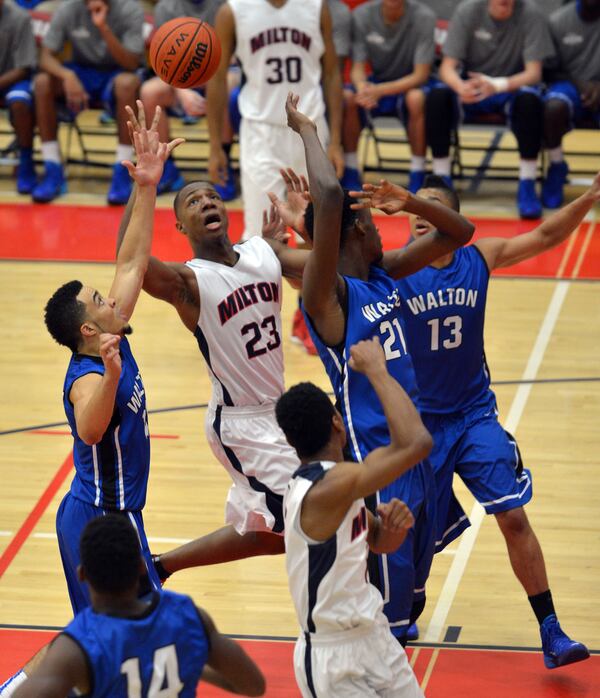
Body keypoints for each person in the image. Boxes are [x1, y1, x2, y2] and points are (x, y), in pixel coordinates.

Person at [0, 103, 183, 698]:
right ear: (87, 328)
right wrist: (107, 374)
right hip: (97, 519)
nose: (112, 296)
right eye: (101, 298)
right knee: (114, 635)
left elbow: (131, 258)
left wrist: (148, 187)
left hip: (115, 513)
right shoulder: (88, 370)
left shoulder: (111, 334)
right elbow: (89, 429)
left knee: (105, 632)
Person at [284, 93, 474, 645]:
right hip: (377, 457)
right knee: (386, 625)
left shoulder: (384, 273)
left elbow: (460, 234)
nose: (380, 230)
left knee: (408, 610)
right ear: (350, 234)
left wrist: (412, 201)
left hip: (416, 447)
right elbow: (325, 195)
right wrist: (308, 130)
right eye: (368, 222)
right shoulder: (329, 299)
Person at [394, 173, 594, 668]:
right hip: (419, 428)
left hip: (473, 415)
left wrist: (588, 199)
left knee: (513, 515)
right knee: (415, 541)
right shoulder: (393, 270)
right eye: (415, 206)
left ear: (453, 221)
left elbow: (546, 236)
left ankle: (551, 628)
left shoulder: (478, 258)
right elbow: (329, 275)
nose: (419, 212)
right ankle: (411, 601)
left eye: (431, 205)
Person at [115, 111, 310, 579]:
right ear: (181, 226)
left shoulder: (264, 252)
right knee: (312, 516)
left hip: (280, 411)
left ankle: (159, 566)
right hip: (240, 424)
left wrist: (309, 226)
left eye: (212, 196)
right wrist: (145, 186)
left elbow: (327, 271)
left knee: (277, 531)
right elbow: (130, 261)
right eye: (193, 201)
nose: (206, 202)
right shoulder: (189, 282)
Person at [276, 338, 430, 696]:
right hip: (333, 658)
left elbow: (379, 542)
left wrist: (394, 528)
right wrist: (377, 370)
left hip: (375, 636)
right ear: (337, 423)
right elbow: (415, 443)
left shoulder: (337, 482)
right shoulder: (325, 488)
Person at [12, 515, 266, 697]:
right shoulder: (187, 616)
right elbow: (253, 686)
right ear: (143, 567)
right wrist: (188, 659)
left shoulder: (77, 646)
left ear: (81, 574)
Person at [206, 0, 344, 240]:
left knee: (316, 236)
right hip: (261, 131)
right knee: (260, 236)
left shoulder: (316, 7)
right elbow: (217, 79)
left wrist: (335, 142)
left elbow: (332, 74)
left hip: (310, 129)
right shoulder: (233, 11)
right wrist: (215, 146)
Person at [432, 0, 555, 218]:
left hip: (510, 86)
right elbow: (447, 68)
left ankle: (527, 183)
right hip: (472, 86)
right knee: (438, 97)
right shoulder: (468, 10)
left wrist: (497, 85)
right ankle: (441, 182)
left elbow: (534, 73)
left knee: (530, 102)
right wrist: (461, 87)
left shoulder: (531, 14)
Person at [32, 0, 145, 204]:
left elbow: (131, 63)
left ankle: (123, 169)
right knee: (42, 83)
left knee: (127, 84)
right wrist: (66, 75)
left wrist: (104, 28)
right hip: (81, 71)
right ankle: (52, 168)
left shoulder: (130, 9)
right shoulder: (68, 9)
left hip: (116, 72)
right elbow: (45, 57)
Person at [140, 0, 236, 197]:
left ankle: (222, 162)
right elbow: (162, 62)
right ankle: (166, 168)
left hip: (220, 71)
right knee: (149, 92)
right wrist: (181, 90)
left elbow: (235, 54)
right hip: (180, 78)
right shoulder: (165, 7)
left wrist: (209, 78)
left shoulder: (226, 5)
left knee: (226, 85)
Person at [343, 0, 439, 193]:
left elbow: (421, 75)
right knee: (348, 97)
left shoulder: (424, 17)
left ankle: (418, 171)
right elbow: (357, 68)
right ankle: (350, 168)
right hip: (378, 81)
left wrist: (379, 90)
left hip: (410, 82)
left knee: (416, 99)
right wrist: (363, 88)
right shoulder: (362, 15)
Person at [542, 0, 600, 209]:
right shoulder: (558, 21)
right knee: (553, 107)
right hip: (569, 84)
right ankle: (557, 166)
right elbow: (548, 70)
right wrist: (581, 84)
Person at [0, 0, 37, 195]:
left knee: (19, 100)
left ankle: (25, 158)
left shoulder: (19, 17)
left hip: (13, 78)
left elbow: (24, 68)